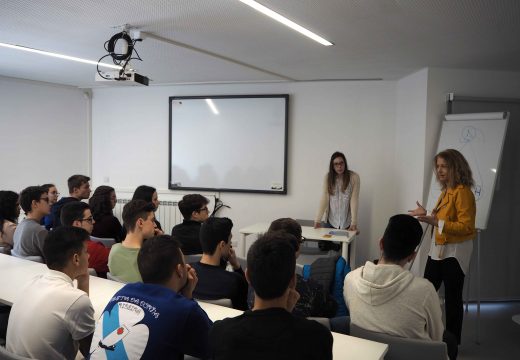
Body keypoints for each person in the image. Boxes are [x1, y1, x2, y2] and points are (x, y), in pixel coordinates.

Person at [209, 232, 333, 360]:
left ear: (248, 277)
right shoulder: (318, 337)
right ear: (293, 281)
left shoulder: (221, 333)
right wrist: (286, 314)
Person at [89, 235, 212, 359]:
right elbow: (215, 345)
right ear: (180, 270)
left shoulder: (124, 291)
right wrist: (188, 297)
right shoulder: (184, 309)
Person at [409, 148, 476, 345]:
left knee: (452, 300)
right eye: (437, 166)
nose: (440, 170)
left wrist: (435, 221)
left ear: (456, 167)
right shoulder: (446, 190)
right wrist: (427, 213)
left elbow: (466, 227)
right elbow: (442, 218)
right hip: (437, 251)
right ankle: (422, 337)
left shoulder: (463, 193)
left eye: (444, 166)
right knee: (426, 292)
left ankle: (452, 345)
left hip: (454, 254)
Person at [344, 215, 445, 342]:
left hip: (367, 353)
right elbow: (437, 339)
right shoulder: (425, 291)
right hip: (409, 354)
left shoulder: (350, 280)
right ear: (412, 256)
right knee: (450, 341)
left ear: (381, 243)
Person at [6, 226, 95, 359]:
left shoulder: (32, 282)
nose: (89, 256)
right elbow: (91, 350)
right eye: (86, 252)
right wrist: (84, 283)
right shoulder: (76, 300)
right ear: (76, 259)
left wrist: (83, 281)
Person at [247, 218, 337, 318]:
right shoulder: (313, 289)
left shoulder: (253, 286)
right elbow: (331, 312)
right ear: (293, 280)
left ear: (248, 276)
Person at [191, 217, 248, 310]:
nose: (230, 245)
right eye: (230, 241)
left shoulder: (188, 272)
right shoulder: (235, 280)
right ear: (222, 245)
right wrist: (236, 266)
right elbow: (243, 310)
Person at [314, 151, 360, 252]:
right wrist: (318, 219)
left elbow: (354, 200)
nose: (339, 166)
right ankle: (337, 249)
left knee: (347, 252)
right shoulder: (328, 177)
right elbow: (325, 198)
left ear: (345, 163)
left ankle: (343, 257)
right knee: (323, 246)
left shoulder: (354, 177)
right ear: (332, 166)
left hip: (346, 222)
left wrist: (354, 222)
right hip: (331, 220)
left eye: (341, 163)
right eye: (336, 164)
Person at [108, 200, 156, 282]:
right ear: (140, 223)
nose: (155, 225)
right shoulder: (150, 257)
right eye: (152, 220)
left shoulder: (114, 250)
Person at [61, 201, 110, 278]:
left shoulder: (58, 247)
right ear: (77, 224)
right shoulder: (95, 249)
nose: (93, 222)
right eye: (89, 219)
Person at [12, 186, 50, 259]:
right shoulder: (39, 231)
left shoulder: (19, 226)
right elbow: (53, 260)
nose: (50, 203)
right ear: (35, 203)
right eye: (46, 200)